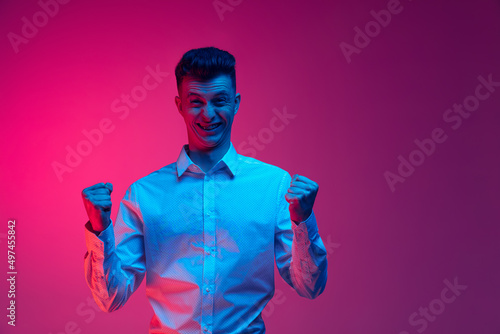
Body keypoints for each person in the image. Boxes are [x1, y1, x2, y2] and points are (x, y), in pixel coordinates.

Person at [82, 46, 328, 334]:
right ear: (179, 105)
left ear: (235, 103)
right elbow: (111, 298)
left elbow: (310, 286)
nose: (208, 114)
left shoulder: (274, 186)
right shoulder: (144, 194)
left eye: (219, 101)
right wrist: (100, 230)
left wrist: (303, 221)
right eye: (196, 101)